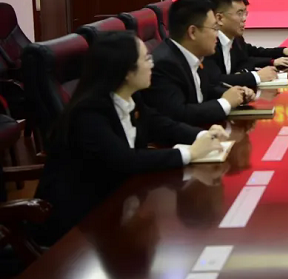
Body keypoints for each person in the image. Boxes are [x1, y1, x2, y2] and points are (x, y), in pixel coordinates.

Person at [34, 32, 226, 244]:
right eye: (146, 58)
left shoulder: (128, 97)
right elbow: (125, 160)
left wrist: (202, 135)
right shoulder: (89, 113)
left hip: (119, 203)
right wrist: (189, 153)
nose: (152, 64)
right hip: (79, 225)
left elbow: (158, 124)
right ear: (126, 71)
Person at [143, 0, 254, 125]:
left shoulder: (193, 55)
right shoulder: (165, 65)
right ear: (193, 32)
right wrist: (225, 102)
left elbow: (206, 89)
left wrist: (236, 94)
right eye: (214, 29)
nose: (217, 35)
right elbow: (180, 114)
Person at [204, 0, 288, 88]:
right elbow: (214, 80)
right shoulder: (207, 45)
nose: (244, 19)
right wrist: (256, 76)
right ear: (219, 18)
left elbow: (249, 56)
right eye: (239, 13)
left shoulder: (236, 39)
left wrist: (281, 52)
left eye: (245, 13)